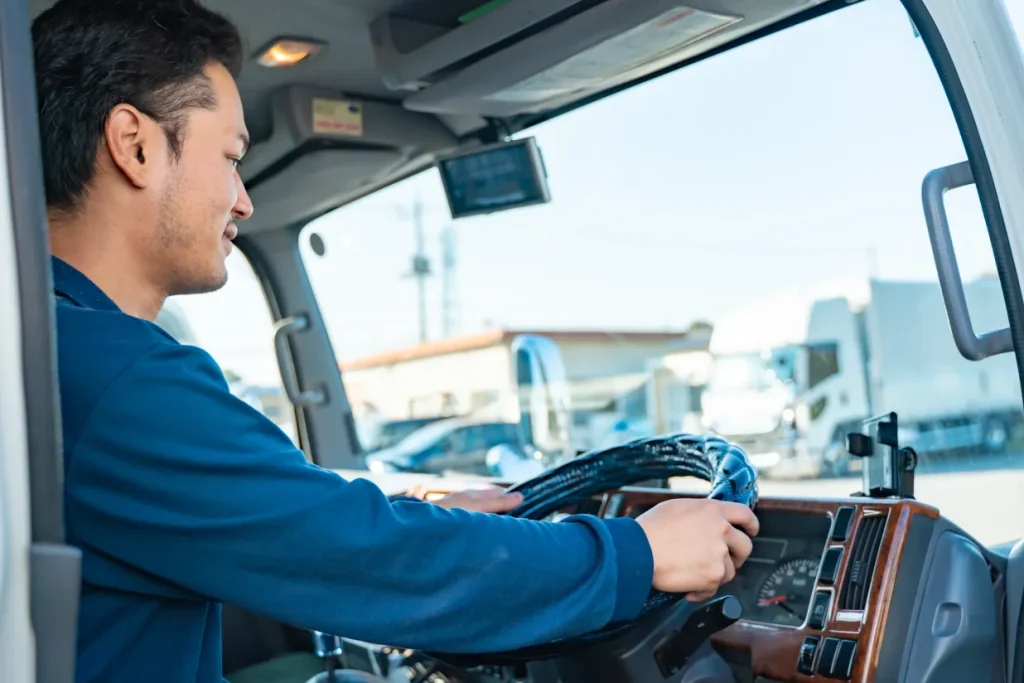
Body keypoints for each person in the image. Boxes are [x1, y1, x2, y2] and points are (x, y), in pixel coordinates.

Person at [31, 1, 760, 682]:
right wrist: (638, 553)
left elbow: (285, 517)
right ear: (134, 145)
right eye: (230, 158)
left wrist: (425, 513)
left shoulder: (55, 353)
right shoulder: (116, 376)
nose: (244, 199)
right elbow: (362, 555)